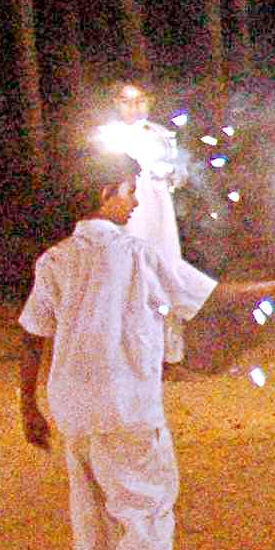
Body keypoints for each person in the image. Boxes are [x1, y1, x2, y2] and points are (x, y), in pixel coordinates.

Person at [19, 168, 275, 550]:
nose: (136, 204)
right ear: (105, 193)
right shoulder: (137, 254)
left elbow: (32, 333)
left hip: (73, 405)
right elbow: (211, 297)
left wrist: (28, 405)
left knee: (92, 517)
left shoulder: (55, 259)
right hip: (126, 401)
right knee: (145, 507)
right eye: (130, 193)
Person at [96, 84, 190, 364]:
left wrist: (171, 172)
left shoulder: (163, 135)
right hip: (126, 218)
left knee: (163, 275)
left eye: (140, 101)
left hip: (159, 218)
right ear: (116, 103)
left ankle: (168, 356)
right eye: (127, 101)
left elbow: (180, 176)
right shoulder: (108, 137)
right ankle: (127, 355)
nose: (134, 107)